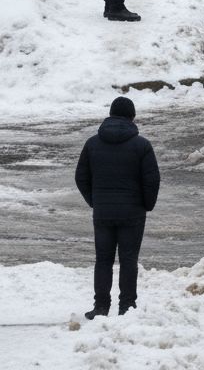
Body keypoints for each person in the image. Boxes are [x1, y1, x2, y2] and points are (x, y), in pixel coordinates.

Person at [75, 96, 161, 319]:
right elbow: (151, 180)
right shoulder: (142, 145)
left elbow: (80, 177)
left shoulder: (92, 143)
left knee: (103, 259)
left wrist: (96, 200)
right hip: (132, 214)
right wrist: (146, 205)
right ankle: (127, 307)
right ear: (132, 117)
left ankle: (101, 306)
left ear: (110, 115)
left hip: (103, 213)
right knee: (128, 260)